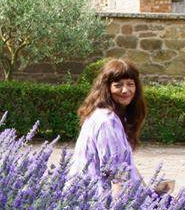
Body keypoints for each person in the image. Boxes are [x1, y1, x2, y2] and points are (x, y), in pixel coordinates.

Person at [67, 58, 174, 198]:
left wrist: (149, 192)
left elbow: (125, 164)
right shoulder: (107, 121)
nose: (125, 90)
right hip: (93, 200)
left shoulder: (108, 115)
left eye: (130, 84)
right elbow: (116, 174)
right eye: (118, 85)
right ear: (107, 88)